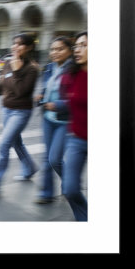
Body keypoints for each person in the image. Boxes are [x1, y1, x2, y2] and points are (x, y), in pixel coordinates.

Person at [0, 33, 39, 197]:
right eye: (14, 43)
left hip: (21, 112)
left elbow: (21, 91)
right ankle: (30, 168)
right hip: (6, 110)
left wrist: (16, 70)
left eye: (20, 44)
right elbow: (1, 84)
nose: (15, 46)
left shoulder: (32, 69)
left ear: (29, 47)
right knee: (16, 143)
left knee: (4, 145)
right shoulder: (7, 62)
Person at [33, 36, 73, 204]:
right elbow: (45, 85)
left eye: (60, 49)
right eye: (53, 49)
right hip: (48, 119)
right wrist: (41, 94)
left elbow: (76, 98)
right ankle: (47, 193)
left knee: (54, 159)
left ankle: (70, 184)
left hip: (64, 121)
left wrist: (56, 105)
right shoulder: (49, 67)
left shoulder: (75, 69)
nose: (55, 52)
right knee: (47, 158)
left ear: (69, 51)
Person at [60, 31, 88, 221]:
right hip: (77, 138)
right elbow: (67, 101)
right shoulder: (72, 74)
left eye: (84, 45)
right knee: (69, 189)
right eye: (76, 46)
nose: (78, 49)